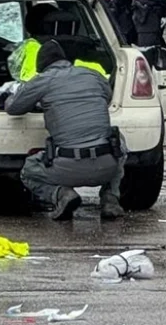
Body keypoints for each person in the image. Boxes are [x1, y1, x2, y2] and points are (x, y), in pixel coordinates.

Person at [7, 40, 126, 221]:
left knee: (29, 170)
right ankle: (110, 198)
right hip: (107, 166)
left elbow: (13, 108)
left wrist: (14, 96)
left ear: (40, 66)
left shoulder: (42, 80)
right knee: (118, 141)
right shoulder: (92, 75)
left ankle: (62, 194)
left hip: (67, 168)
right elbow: (107, 96)